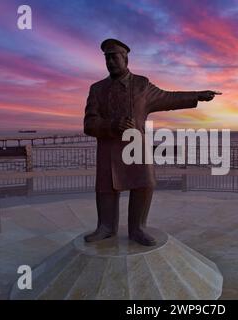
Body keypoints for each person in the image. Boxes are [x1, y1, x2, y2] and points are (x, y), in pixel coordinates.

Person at [83, 38, 220, 246]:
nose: (110, 61)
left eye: (114, 57)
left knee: (145, 182)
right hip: (108, 149)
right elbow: (89, 123)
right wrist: (112, 125)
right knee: (106, 187)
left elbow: (168, 98)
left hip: (136, 147)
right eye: (107, 58)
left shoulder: (141, 85)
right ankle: (106, 227)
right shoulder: (97, 89)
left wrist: (196, 95)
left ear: (125, 58)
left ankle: (137, 228)